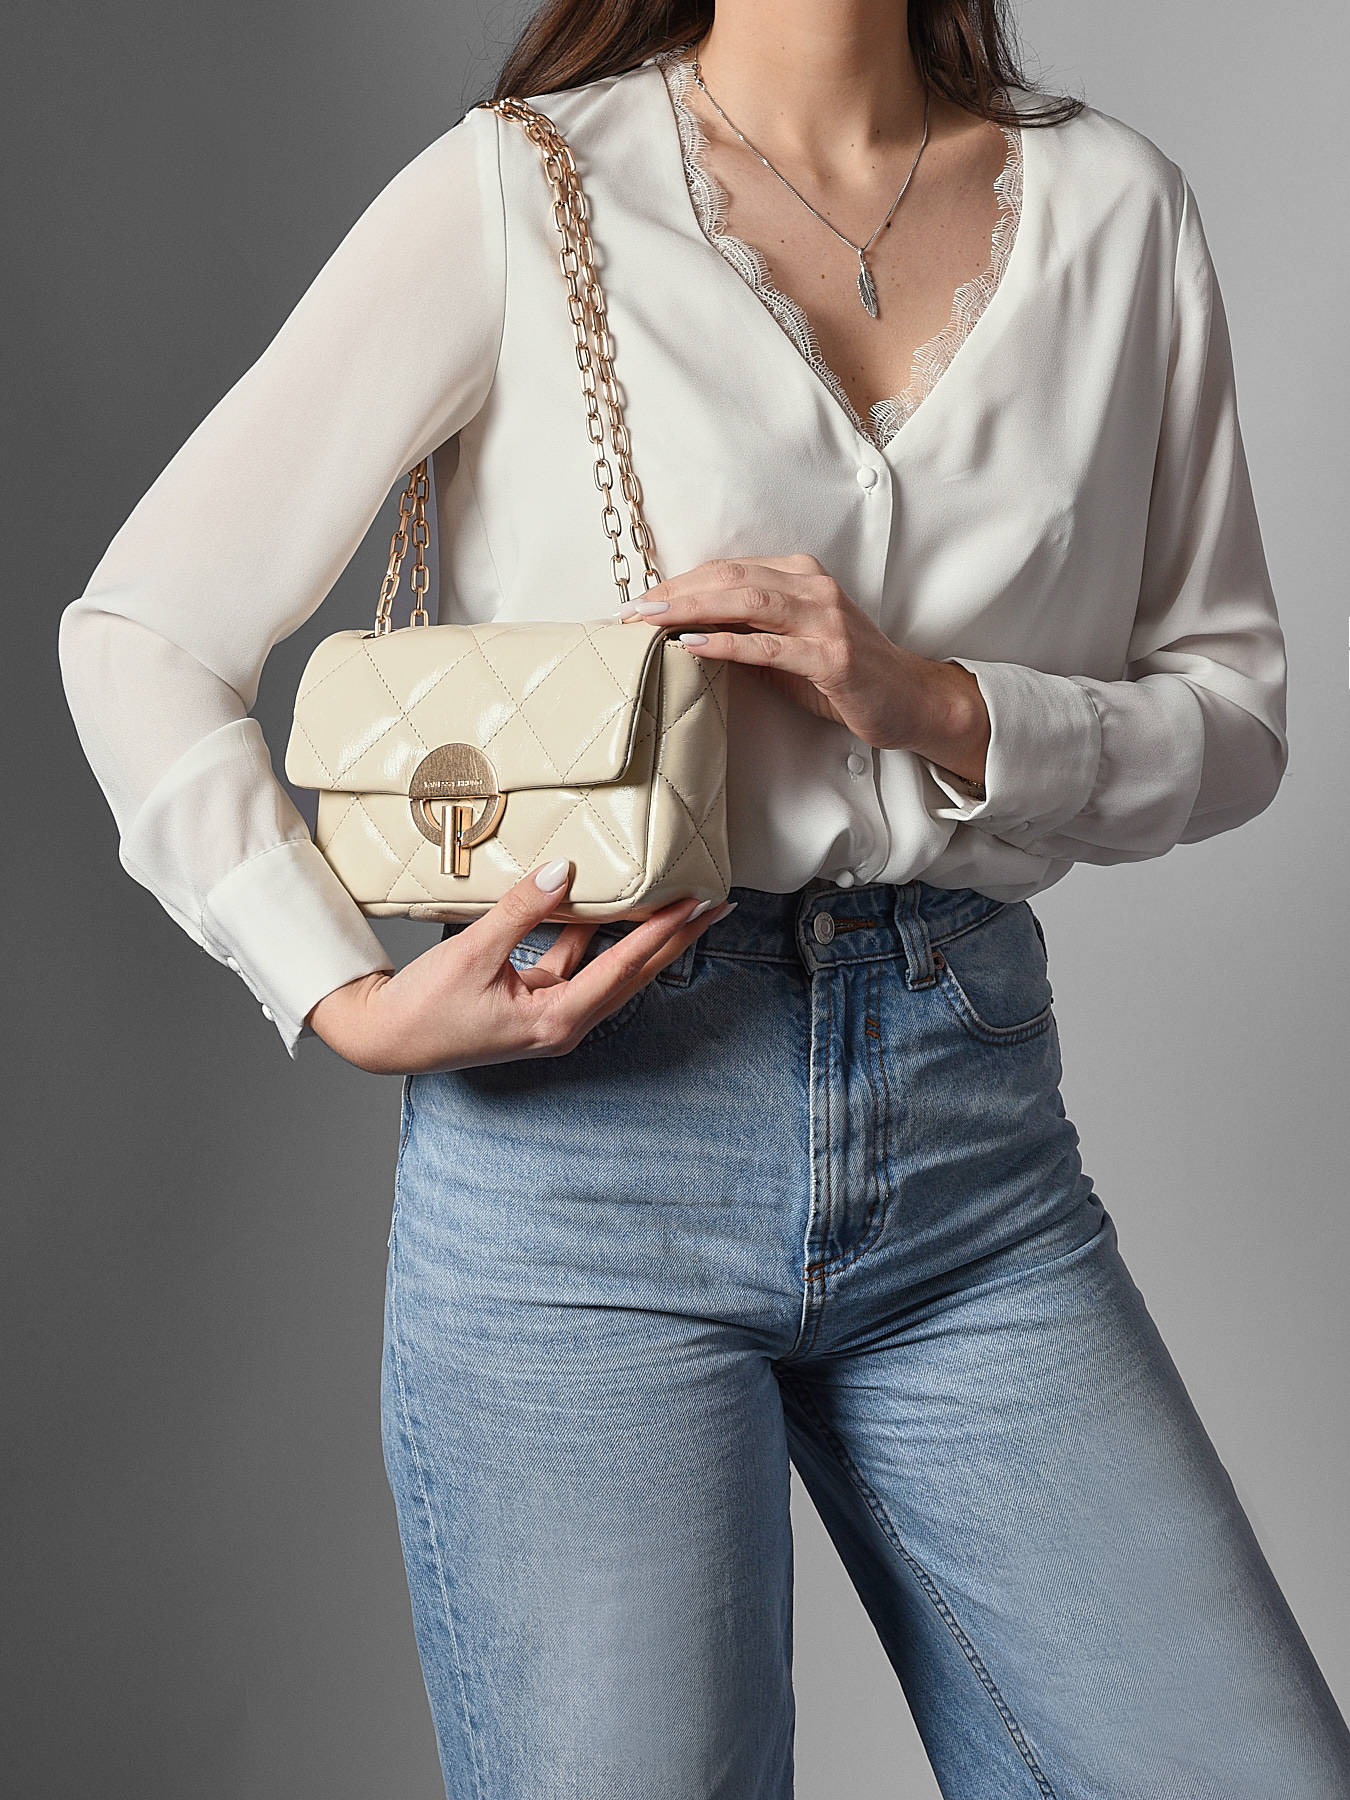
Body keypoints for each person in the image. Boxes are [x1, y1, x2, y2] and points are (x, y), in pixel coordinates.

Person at [58, 2, 1350, 1795]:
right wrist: (335, 988)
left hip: (969, 1139)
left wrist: (940, 703)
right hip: (585, 1154)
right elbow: (141, 631)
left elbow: (1230, 722)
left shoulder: (1116, 211)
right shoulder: (521, 190)